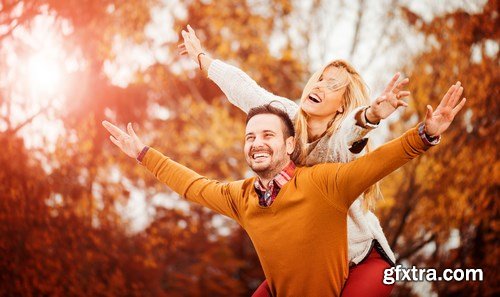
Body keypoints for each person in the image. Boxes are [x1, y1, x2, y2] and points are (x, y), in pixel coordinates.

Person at [102, 82, 465, 297]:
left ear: (290, 146)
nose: (256, 143)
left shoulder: (323, 183)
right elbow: (192, 186)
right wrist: (143, 154)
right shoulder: (241, 198)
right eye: (250, 137)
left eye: (267, 135)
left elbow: (380, 161)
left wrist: (426, 132)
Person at [179, 25, 410, 296]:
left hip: (363, 258)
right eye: (321, 79)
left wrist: (370, 115)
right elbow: (246, 90)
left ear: (341, 106)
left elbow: (352, 135)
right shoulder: (288, 115)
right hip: (308, 262)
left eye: (333, 86)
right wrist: (202, 59)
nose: (320, 86)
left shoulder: (338, 141)